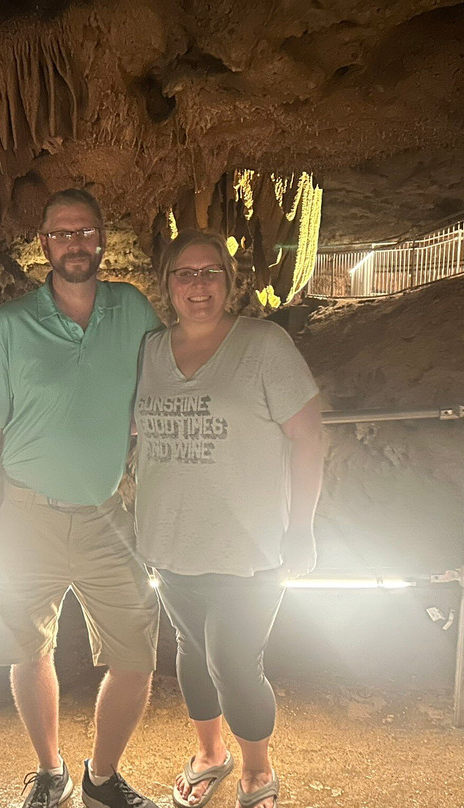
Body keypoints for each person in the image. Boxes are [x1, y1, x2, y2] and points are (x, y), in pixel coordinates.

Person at [0, 188, 163, 808]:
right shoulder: (8, 326)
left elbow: (169, 377)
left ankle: (101, 777)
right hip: (25, 514)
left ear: (101, 239)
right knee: (28, 648)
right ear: (44, 245)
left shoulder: (131, 310)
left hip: (107, 513)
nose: (74, 243)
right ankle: (50, 771)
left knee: (137, 653)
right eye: (61, 233)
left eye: (85, 232)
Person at [133, 230, 324, 808]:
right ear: (166, 284)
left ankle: (256, 770)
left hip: (251, 548)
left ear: (229, 281)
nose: (198, 285)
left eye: (210, 272)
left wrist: (302, 528)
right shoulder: (148, 352)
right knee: (191, 651)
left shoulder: (263, 345)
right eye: (185, 274)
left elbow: (309, 436)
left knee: (233, 662)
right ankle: (210, 755)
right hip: (170, 542)